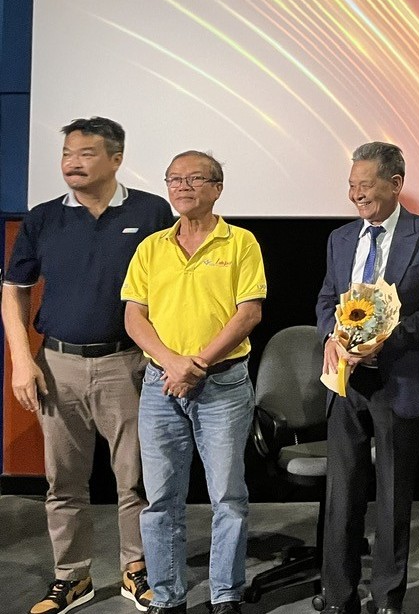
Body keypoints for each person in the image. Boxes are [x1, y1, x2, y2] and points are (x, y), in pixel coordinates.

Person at [2, 117, 172, 614]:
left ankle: (136, 570)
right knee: (64, 482)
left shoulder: (151, 211)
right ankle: (71, 578)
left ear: (116, 159)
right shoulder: (42, 218)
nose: (72, 163)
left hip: (128, 364)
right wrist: (21, 361)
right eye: (67, 154)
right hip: (58, 365)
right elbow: (14, 290)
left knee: (136, 479)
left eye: (86, 153)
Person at [317, 142, 419, 614]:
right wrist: (331, 337)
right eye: (351, 186)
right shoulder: (340, 239)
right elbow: (326, 299)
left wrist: (388, 338)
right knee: (342, 493)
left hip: (399, 382)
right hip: (346, 383)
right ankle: (338, 595)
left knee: (393, 494)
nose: (356, 195)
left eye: (366, 185)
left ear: (395, 184)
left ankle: (386, 597)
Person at [121, 151, 266, 614]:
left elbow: (249, 314)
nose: (182, 187)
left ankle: (226, 594)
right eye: (174, 179)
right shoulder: (151, 247)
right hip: (160, 386)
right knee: (161, 499)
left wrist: (196, 364)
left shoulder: (240, 242)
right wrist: (171, 364)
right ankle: (167, 597)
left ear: (217, 188)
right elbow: (134, 316)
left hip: (222, 386)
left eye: (194, 179)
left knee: (228, 497)